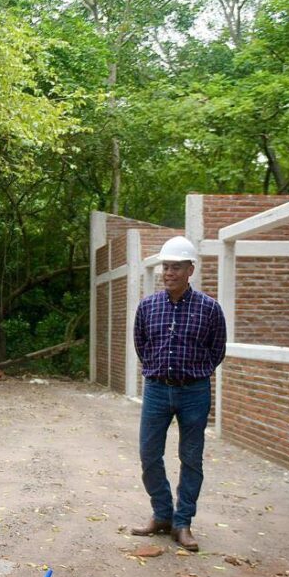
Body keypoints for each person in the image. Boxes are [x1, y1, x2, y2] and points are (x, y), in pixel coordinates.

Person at [129, 235, 226, 552]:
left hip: (194, 392)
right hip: (157, 390)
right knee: (149, 454)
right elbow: (141, 344)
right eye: (165, 267)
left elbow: (217, 350)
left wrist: (195, 372)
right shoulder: (147, 307)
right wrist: (158, 369)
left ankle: (182, 523)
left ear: (190, 270)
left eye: (175, 267)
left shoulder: (210, 309)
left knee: (191, 458)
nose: (168, 273)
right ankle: (162, 514)